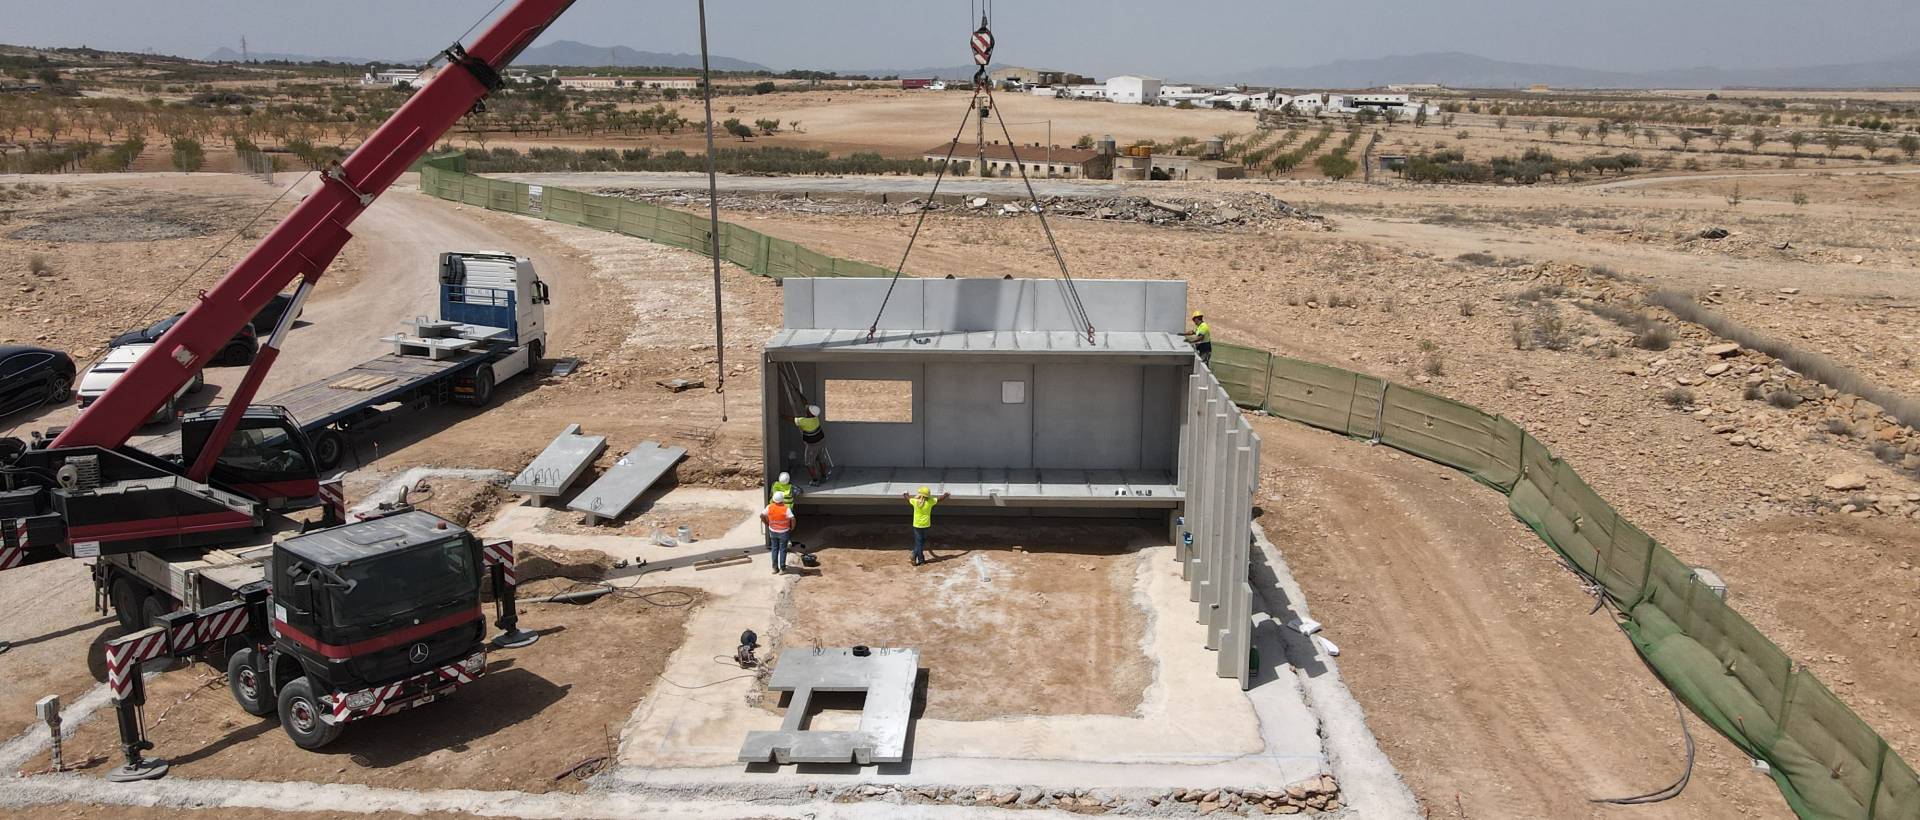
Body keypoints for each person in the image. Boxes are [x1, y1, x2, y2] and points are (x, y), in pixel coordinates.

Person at [900, 486, 951, 566]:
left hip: (917, 525)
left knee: (919, 542)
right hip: (926, 525)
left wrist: (905, 493)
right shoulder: (930, 501)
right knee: (922, 541)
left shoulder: (915, 501)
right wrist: (946, 494)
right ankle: (920, 559)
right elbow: (940, 499)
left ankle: (916, 557)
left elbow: (907, 498)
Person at [794, 404, 834, 486]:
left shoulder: (803, 421)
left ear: (810, 413)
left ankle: (815, 480)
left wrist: (780, 414)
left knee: (809, 463)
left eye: (808, 410)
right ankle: (824, 476)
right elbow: (806, 404)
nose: (807, 409)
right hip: (821, 441)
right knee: (821, 459)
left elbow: (790, 419)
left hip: (812, 445)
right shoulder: (815, 418)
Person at [760, 491, 795, 574]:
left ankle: (775, 568)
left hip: (773, 531)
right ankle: (782, 569)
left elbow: (761, 515)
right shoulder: (786, 509)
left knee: (774, 549)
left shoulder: (769, 507)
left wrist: (767, 523)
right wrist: (792, 527)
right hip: (784, 532)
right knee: (783, 549)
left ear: (774, 499)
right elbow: (793, 519)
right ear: (782, 500)